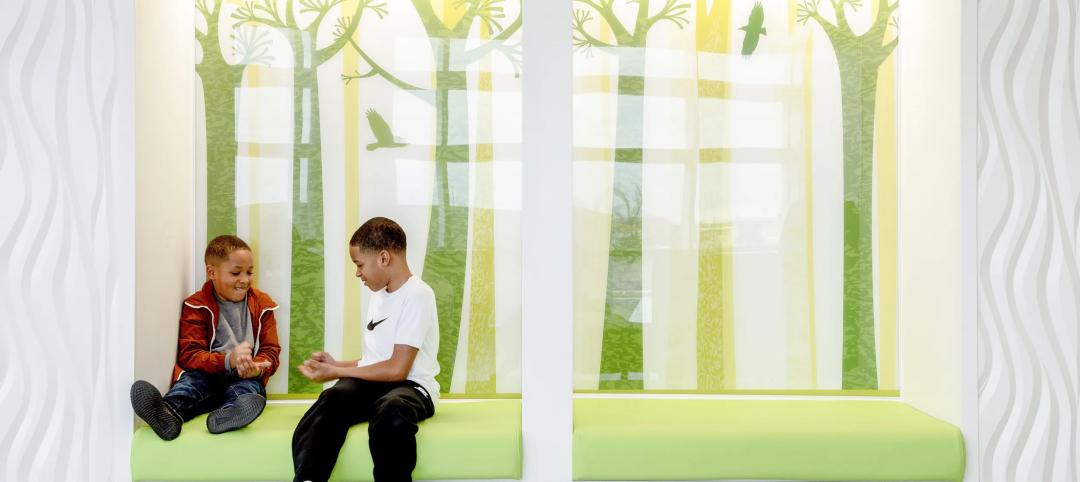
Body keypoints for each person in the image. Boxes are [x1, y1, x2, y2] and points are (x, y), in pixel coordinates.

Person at [292, 217, 439, 482]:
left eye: (359, 265)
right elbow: (374, 361)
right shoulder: (378, 295)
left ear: (383, 258)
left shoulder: (418, 295)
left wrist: (334, 370)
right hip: (379, 383)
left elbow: (397, 368)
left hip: (412, 386)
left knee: (391, 411)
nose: (357, 273)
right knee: (332, 399)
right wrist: (337, 365)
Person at [130, 234, 280, 440]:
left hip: (243, 376)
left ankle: (228, 416)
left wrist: (257, 367)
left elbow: (271, 351)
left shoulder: (263, 304)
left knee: (247, 391)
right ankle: (167, 414)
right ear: (212, 272)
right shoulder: (196, 305)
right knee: (190, 386)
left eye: (249, 272)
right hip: (206, 374)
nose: (245, 280)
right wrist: (228, 360)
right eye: (236, 273)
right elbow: (189, 355)